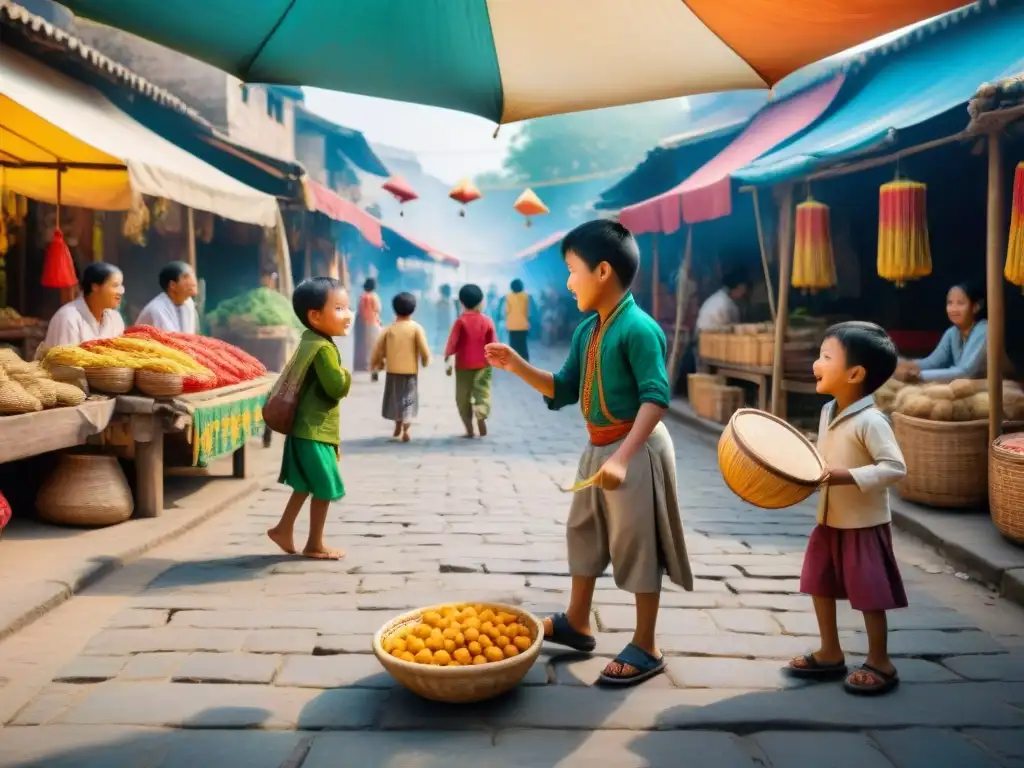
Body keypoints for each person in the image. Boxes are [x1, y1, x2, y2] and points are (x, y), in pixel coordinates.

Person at [485, 219, 692, 687]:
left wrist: (623, 457)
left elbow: (656, 397)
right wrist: (516, 365)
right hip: (598, 446)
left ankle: (646, 644)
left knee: (637, 542)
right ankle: (578, 622)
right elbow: (562, 388)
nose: (567, 281)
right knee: (583, 531)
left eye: (572, 270)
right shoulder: (587, 330)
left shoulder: (639, 329)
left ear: (602, 271)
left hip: (635, 448)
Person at [787, 321, 908, 696]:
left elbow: (895, 468)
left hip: (862, 523)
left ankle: (880, 661)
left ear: (855, 373)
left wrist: (844, 476)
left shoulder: (872, 421)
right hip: (829, 519)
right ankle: (829, 651)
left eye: (826, 357)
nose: (816, 365)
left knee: (868, 593)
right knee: (819, 582)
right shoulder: (828, 412)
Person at [267, 277, 353, 560]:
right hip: (314, 431)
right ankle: (315, 543)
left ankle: (283, 528)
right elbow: (336, 387)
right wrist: (345, 374)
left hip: (303, 430)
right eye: (339, 308)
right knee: (325, 486)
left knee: (305, 484)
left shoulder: (309, 339)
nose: (347, 315)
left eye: (347, 307)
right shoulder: (325, 348)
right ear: (315, 316)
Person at [371, 292, 431, 442]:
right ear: (414, 309)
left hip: (393, 371)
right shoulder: (416, 328)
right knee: (409, 399)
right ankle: (406, 427)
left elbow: (378, 348)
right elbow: (424, 348)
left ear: (394, 309)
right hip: (410, 372)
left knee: (395, 399)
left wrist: (376, 364)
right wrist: (425, 360)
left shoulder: (389, 329)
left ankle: (397, 425)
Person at [900, 282, 987, 383]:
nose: (953, 309)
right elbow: (933, 363)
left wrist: (919, 376)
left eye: (960, 303)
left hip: (985, 387)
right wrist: (905, 366)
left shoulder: (984, 329)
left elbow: (966, 372)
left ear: (976, 306)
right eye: (950, 303)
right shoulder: (953, 332)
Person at [445, 284, 497, 438]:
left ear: (461, 302)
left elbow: (453, 342)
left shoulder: (460, 322)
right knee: (483, 392)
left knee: (463, 396)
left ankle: (469, 428)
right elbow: (493, 343)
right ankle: (480, 412)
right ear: (481, 301)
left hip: (463, 365)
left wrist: (447, 356)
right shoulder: (487, 321)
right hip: (484, 365)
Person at [39, 262, 125, 355]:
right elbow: (64, 365)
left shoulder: (115, 318)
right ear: (95, 287)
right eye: (115, 285)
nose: (121, 291)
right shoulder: (68, 318)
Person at [136, 261, 199, 333]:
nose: (193, 281)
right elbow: (170, 341)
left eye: (193, 275)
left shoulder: (189, 303)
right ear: (172, 285)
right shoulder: (157, 309)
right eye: (185, 277)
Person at [695, 268, 749, 333]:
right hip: (709, 336)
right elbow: (730, 330)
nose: (744, 292)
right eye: (742, 289)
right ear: (736, 288)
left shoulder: (722, 297)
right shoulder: (723, 303)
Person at [499, 278, 535, 361]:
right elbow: (528, 310)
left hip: (511, 325)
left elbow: (507, 310)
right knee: (523, 344)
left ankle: (514, 361)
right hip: (523, 324)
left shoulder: (508, 297)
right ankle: (525, 360)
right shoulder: (526, 296)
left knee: (513, 344)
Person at [354, 278, 382, 379]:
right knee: (375, 347)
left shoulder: (362, 296)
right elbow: (377, 310)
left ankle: (367, 366)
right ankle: (374, 368)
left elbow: (361, 311)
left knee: (365, 347)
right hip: (373, 323)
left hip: (363, 323)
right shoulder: (373, 296)